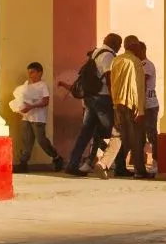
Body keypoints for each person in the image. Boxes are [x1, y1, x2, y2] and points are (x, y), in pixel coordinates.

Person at [59, 33, 120, 175]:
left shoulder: (95, 53)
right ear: (114, 43)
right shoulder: (108, 56)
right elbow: (109, 77)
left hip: (90, 99)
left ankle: (73, 165)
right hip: (102, 97)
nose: (120, 47)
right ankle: (114, 164)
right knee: (117, 130)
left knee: (85, 133)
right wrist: (114, 98)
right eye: (119, 43)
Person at [107, 35, 149, 178]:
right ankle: (140, 171)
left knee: (119, 136)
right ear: (134, 46)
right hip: (131, 104)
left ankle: (107, 163)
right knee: (136, 138)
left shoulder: (116, 60)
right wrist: (140, 109)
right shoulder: (135, 62)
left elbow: (111, 81)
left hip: (117, 103)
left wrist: (114, 101)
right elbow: (137, 86)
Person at [10, 62, 61, 173]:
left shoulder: (43, 85)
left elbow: (45, 101)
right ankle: (23, 164)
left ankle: (56, 158)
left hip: (38, 118)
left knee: (41, 140)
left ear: (40, 72)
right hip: (26, 117)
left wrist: (31, 106)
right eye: (29, 73)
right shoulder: (27, 86)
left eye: (33, 72)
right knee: (26, 141)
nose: (30, 75)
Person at [132, 37, 159, 177]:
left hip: (150, 104)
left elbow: (142, 83)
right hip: (142, 105)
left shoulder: (146, 65)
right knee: (140, 135)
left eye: (136, 51)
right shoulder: (138, 65)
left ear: (142, 50)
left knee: (151, 134)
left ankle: (156, 161)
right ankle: (140, 165)